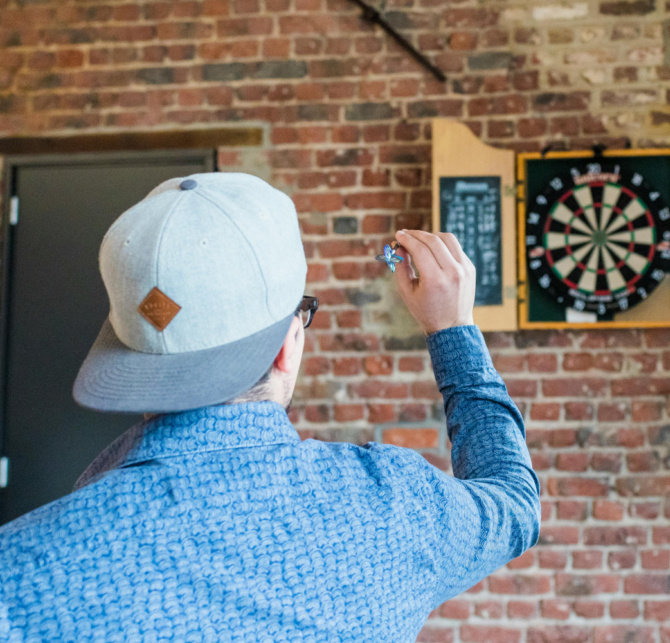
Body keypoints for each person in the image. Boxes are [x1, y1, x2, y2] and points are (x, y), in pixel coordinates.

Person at [0, 172, 540, 641]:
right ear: (288, 345)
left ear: (127, 358)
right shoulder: (395, 509)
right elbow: (515, 503)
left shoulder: (17, 572)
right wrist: (453, 330)